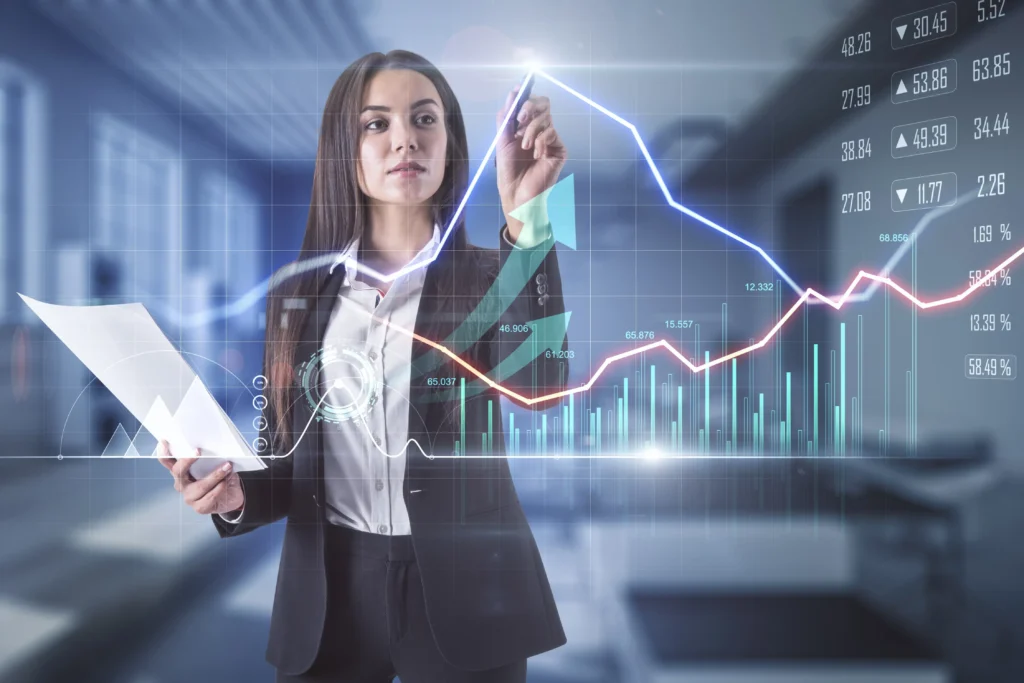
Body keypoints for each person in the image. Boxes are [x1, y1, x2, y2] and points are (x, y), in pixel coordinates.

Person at [158, 49, 570, 683]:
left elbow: (543, 388)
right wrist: (234, 496)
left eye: (424, 119)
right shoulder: (295, 300)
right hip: (329, 593)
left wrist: (529, 216)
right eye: (376, 124)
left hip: (469, 590)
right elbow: (286, 457)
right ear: (343, 152)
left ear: (451, 144)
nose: (405, 137)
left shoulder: (496, 274)